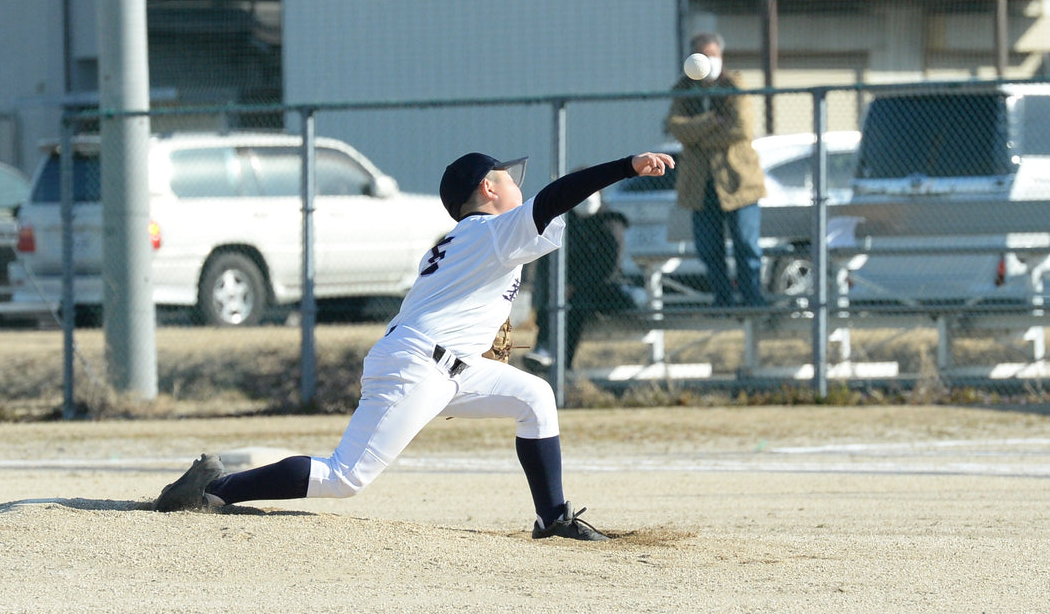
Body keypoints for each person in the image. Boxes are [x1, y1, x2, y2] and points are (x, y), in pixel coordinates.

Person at [154, 149, 675, 541]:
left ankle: (553, 518)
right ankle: (216, 488)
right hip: (416, 366)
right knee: (345, 477)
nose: (518, 187)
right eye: (506, 179)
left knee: (535, 398)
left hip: (451, 366)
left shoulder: (478, 237)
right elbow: (559, 195)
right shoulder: (490, 232)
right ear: (487, 189)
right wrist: (626, 166)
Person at [665, 32, 767, 307]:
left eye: (713, 55)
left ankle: (753, 298)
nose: (709, 61)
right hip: (700, 185)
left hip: (738, 182)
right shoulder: (684, 90)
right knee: (709, 248)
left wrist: (698, 136)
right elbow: (676, 127)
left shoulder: (734, 85)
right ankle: (723, 298)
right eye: (703, 55)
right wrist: (712, 121)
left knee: (746, 245)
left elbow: (741, 128)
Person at [525, 191, 637, 372]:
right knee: (553, 300)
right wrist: (561, 285)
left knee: (576, 305)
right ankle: (543, 348)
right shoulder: (567, 223)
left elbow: (608, 267)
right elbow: (552, 261)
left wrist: (574, 285)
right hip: (568, 289)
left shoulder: (610, 222)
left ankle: (562, 365)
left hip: (605, 290)